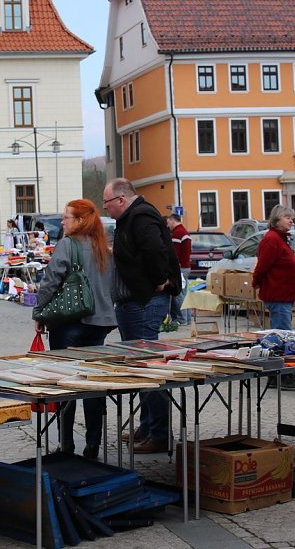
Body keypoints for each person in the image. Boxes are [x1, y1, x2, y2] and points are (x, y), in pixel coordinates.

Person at [33, 199, 117, 459]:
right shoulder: (103, 247)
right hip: (100, 324)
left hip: (69, 321)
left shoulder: (67, 245)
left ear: (80, 220)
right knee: (93, 385)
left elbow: (50, 281)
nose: (63, 222)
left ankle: (66, 442)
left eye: (66, 217)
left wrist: (39, 312)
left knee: (66, 384)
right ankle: (93, 443)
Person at [103, 178, 182, 453]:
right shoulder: (131, 217)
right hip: (133, 302)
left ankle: (159, 433)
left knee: (148, 367)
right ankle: (148, 426)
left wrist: (160, 280)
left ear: (121, 200)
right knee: (140, 367)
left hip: (144, 302)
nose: (106, 207)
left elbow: (155, 250)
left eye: (107, 202)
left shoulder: (141, 216)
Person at [252, 205, 295, 391]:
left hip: (283, 296)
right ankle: (284, 377)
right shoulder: (272, 240)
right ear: (276, 220)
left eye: (292, 217)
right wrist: (256, 283)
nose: (291, 220)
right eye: (287, 217)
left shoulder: (281, 239)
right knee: (283, 337)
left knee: (280, 337)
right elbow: (262, 267)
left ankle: (277, 376)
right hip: (278, 296)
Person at [166, 213, 191, 325]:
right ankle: (188, 318)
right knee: (184, 294)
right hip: (186, 266)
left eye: (168, 222)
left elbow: (174, 254)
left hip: (179, 268)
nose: (168, 225)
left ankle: (182, 319)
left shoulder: (177, 233)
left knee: (178, 294)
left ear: (172, 220)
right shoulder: (184, 231)